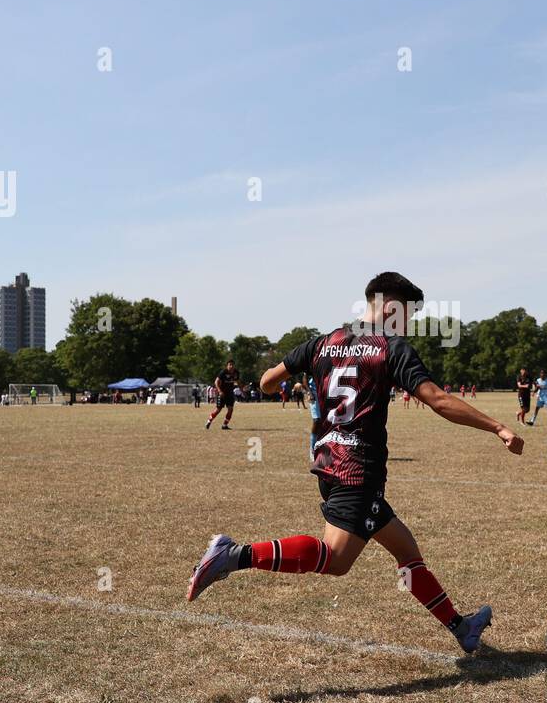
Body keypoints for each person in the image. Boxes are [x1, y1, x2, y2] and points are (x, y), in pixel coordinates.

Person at [186, 272, 524, 653]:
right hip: (357, 470)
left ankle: (461, 627)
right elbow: (438, 400)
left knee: (406, 552)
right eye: (408, 316)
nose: (408, 326)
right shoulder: (390, 348)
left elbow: (266, 382)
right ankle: (233, 555)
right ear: (392, 307)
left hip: (328, 460)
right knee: (336, 558)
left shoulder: (322, 342)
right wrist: (498, 427)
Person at [205, 360, 240, 430]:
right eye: (230, 365)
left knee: (230, 409)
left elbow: (237, 381)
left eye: (232, 365)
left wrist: (242, 389)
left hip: (230, 393)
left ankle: (224, 425)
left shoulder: (236, 373)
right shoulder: (223, 372)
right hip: (222, 393)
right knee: (218, 409)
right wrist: (220, 391)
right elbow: (216, 382)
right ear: (227, 366)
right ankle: (209, 421)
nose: (231, 366)